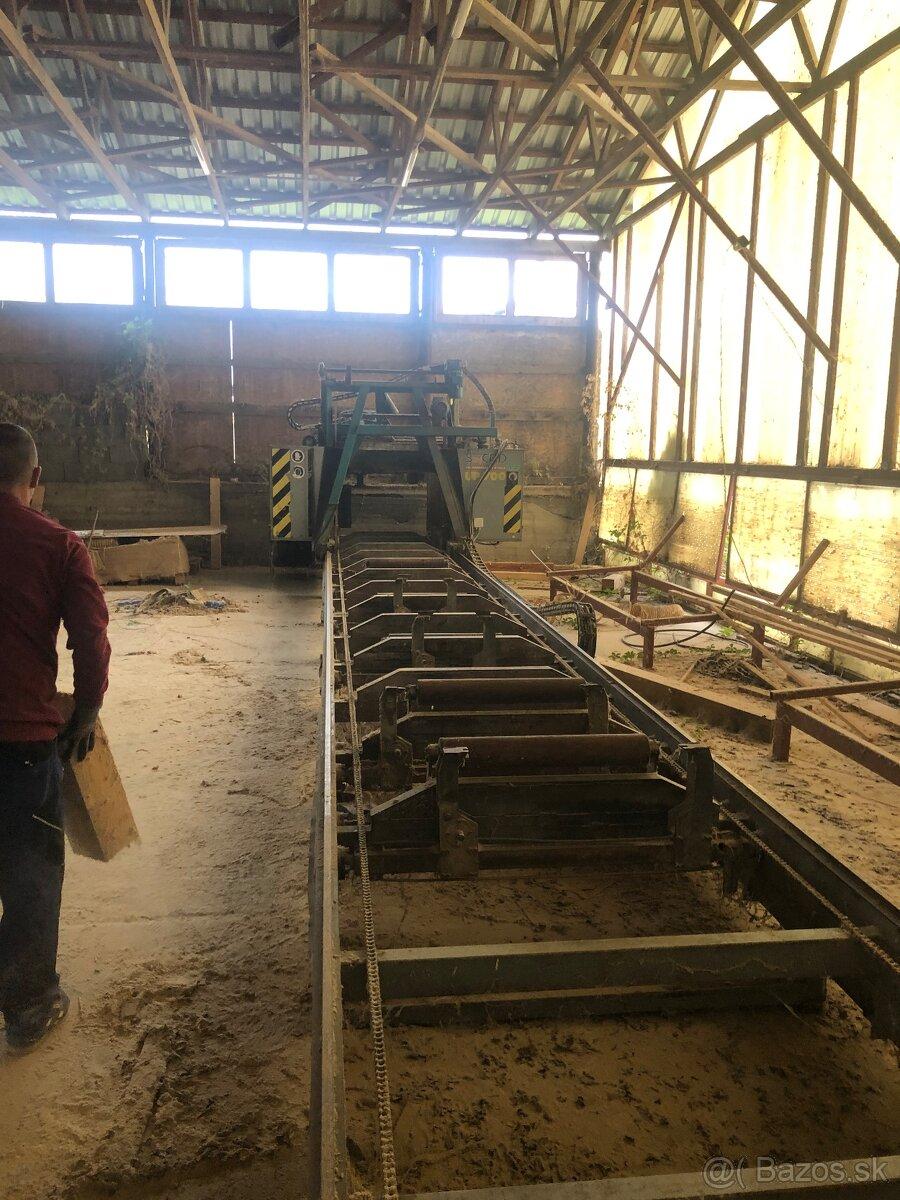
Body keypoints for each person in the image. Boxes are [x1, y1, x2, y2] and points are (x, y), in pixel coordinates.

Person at [0, 423, 110, 1054]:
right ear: (35, 478)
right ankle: (28, 1008)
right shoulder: (58, 545)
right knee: (29, 873)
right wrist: (86, 711)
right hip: (21, 742)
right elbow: (90, 639)